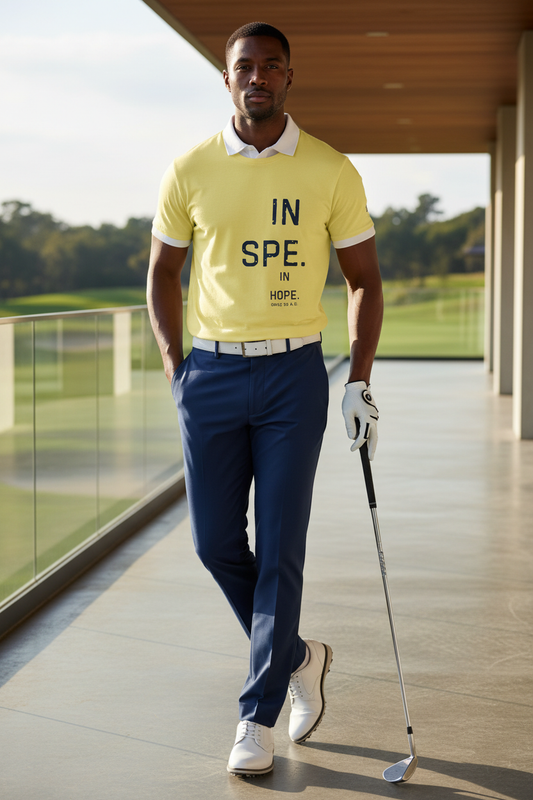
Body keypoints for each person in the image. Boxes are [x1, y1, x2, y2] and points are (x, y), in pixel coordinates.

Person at [147, 21, 383, 777]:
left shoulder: (329, 169)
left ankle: (257, 716)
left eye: (270, 66)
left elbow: (364, 281)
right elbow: (161, 274)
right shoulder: (188, 168)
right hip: (209, 376)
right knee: (215, 542)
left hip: (292, 377)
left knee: (279, 545)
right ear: (226, 80)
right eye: (244, 66)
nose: (257, 77)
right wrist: (174, 368)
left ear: (288, 79)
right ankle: (301, 656)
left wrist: (359, 382)